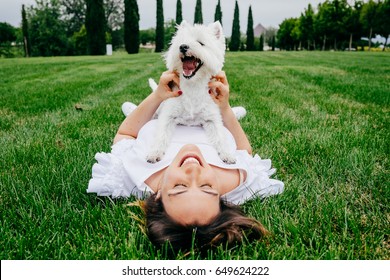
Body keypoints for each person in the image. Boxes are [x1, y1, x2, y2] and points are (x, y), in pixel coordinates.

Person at [87, 71, 284, 254]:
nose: (193, 172)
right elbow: (244, 151)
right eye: (207, 186)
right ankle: (230, 112)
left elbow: (126, 134)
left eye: (180, 186)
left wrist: (157, 96)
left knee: (154, 112)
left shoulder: (138, 174)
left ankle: (145, 108)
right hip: (209, 119)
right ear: (222, 196)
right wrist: (224, 108)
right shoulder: (231, 179)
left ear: (159, 196)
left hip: (163, 115)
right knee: (216, 114)